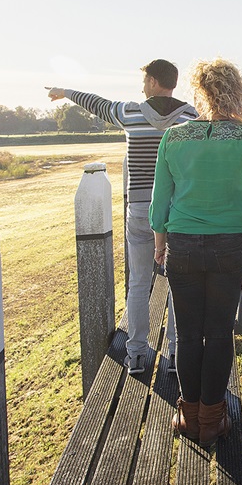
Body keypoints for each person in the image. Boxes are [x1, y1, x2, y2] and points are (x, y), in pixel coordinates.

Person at [151, 59, 242, 446]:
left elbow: (159, 200)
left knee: (187, 333)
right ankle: (213, 421)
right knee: (217, 334)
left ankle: (188, 415)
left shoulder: (173, 137)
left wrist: (161, 245)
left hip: (181, 244)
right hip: (227, 246)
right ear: (237, 92)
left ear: (199, 92)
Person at [47, 60, 198, 375]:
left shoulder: (131, 113)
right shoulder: (190, 118)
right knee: (178, 285)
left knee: (140, 282)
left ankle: (137, 355)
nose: (142, 87)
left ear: (155, 82)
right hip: (178, 213)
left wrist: (65, 92)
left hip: (141, 211)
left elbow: (98, 104)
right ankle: (174, 355)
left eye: (145, 81)